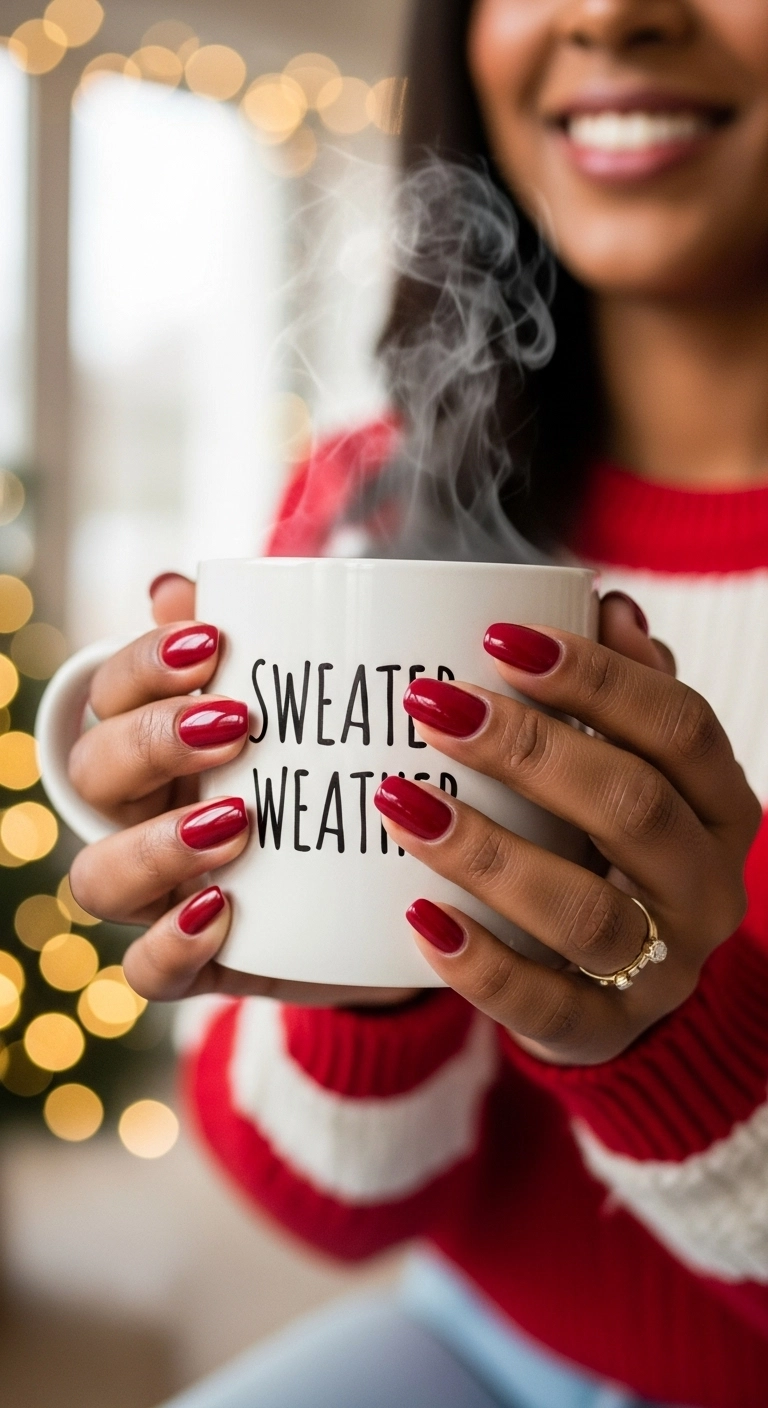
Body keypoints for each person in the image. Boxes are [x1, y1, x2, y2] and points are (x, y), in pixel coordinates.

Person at [64, 2, 768, 1405]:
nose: (618, 12)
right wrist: (361, 966)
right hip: (476, 1334)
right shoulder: (369, 499)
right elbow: (334, 1211)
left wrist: (668, 1041)